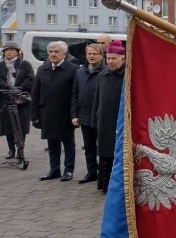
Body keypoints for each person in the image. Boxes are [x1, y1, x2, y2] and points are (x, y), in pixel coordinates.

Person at [31, 41, 78, 181]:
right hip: (47, 112)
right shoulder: (42, 69)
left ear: (64, 54)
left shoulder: (73, 69)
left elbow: (75, 94)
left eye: (56, 51)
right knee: (52, 143)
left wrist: (75, 114)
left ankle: (68, 170)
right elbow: (35, 93)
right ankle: (54, 169)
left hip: (65, 113)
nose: (52, 54)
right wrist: (34, 116)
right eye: (50, 51)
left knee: (68, 142)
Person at [93, 40, 126, 193]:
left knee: (117, 154)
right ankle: (104, 184)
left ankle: (117, 186)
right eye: (109, 59)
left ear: (122, 59)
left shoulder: (127, 76)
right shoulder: (102, 75)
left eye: (114, 59)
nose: (111, 62)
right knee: (104, 153)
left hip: (119, 122)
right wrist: (96, 118)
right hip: (104, 121)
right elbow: (97, 100)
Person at [70, 43, 104, 184]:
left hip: (100, 116)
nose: (91, 56)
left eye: (94, 54)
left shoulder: (106, 72)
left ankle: (103, 174)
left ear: (101, 56)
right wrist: (74, 115)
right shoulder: (80, 72)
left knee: (102, 148)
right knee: (88, 147)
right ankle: (91, 172)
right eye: (89, 53)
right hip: (84, 115)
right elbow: (74, 94)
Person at [0, 42, 34, 160]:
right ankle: (11, 149)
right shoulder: (1, 65)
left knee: (21, 126)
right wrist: (8, 87)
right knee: (7, 125)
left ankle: (20, 150)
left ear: (17, 52)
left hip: (21, 99)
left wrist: (20, 87)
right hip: (6, 98)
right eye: (7, 50)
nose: (9, 52)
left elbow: (31, 78)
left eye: (12, 50)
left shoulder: (25, 64)